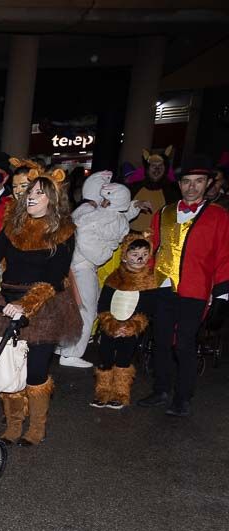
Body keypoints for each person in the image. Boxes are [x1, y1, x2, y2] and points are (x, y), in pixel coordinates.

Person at [0, 167, 81, 446]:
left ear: (53, 200)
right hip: (6, 299)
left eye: (39, 193)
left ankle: (36, 427)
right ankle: (13, 424)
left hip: (43, 302)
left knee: (35, 369)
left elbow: (55, 276)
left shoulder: (63, 231)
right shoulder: (12, 226)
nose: (31, 196)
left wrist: (27, 305)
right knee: (2, 366)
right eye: (30, 192)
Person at [137, 155, 229, 417]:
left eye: (199, 181)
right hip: (162, 286)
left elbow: (225, 256)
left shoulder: (218, 216)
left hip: (196, 288)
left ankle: (183, 396)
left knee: (185, 344)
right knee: (161, 341)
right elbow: (154, 249)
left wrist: (222, 296)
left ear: (208, 183)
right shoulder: (163, 212)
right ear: (179, 184)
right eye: (187, 181)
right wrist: (143, 282)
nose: (192, 187)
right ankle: (161, 389)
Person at [62, 171, 140, 368]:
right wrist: (107, 249)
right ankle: (71, 352)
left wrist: (131, 209)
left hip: (78, 265)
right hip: (82, 266)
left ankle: (65, 346)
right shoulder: (94, 213)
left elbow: (115, 216)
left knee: (77, 307)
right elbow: (95, 245)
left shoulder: (91, 210)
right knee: (86, 310)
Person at [91, 237, 156, 410]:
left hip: (131, 328)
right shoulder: (114, 278)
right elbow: (103, 303)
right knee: (105, 357)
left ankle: (120, 393)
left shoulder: (149, 281)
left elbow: (147, 309)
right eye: (135, 254)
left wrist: (132, 326)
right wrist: (110, 323)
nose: (140, 259)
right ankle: (102, 391)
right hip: (110, 325)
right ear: (125, 256)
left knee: (123, 359)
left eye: (144, 254)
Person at [127, 147, 180, 234]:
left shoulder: (173, 191)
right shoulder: (133, 188)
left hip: (157, 239)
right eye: (153, 166)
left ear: (165, 169)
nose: (157, 169)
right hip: (131, 237)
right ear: (147, 168)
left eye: (160, 166)